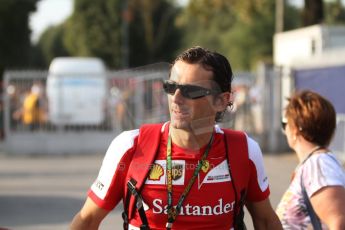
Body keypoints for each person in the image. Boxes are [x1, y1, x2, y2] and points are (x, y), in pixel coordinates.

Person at [70, 46, 282, 229]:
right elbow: (86, 221)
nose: (176, 98)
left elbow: (265, 222)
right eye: (171, 87)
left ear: (221, 100)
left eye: (191, 91)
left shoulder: (244, 150)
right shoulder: (130, 146)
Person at [276, 90, 345, 229]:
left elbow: (338, 223)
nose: (285, 129)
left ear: (296, 129)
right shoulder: (315, 163)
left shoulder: (319, 165)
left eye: (285, 123)